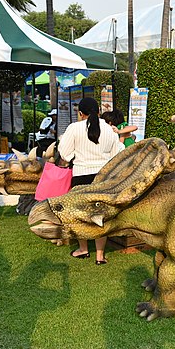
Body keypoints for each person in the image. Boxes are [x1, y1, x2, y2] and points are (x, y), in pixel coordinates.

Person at [58, 98, 124, 265]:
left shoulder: (74, 128)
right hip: (103, 177)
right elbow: (118, 153)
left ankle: (83, 249)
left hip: (81, 176)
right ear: (99, 112)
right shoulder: (109, 130)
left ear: (80, 113)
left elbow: (65, 154)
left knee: (81, 215)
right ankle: (100, 256)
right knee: (100, 215)